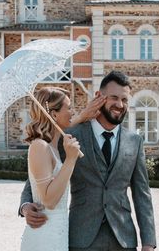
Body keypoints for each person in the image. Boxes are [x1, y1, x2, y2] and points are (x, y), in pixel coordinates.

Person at [20, 71, 156, 251]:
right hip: (81, 239)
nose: (120, 104)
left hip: (124, 240)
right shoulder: (69, 136)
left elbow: (142, 193)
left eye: (125, 100)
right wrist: (25, 206)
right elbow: (39, 176)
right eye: (114, 97)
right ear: (99, 97)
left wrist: (148, 242)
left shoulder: (134, 141)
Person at [20, 86, 106, 251]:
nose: (73, 111)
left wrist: (83, 116)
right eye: (69, 107)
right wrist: (71, 159)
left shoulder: (52, 146)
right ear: (53, 115)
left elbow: (63, 125)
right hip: (44, 236)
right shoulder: (39, 146)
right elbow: (49, 201)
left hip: (58, 234)